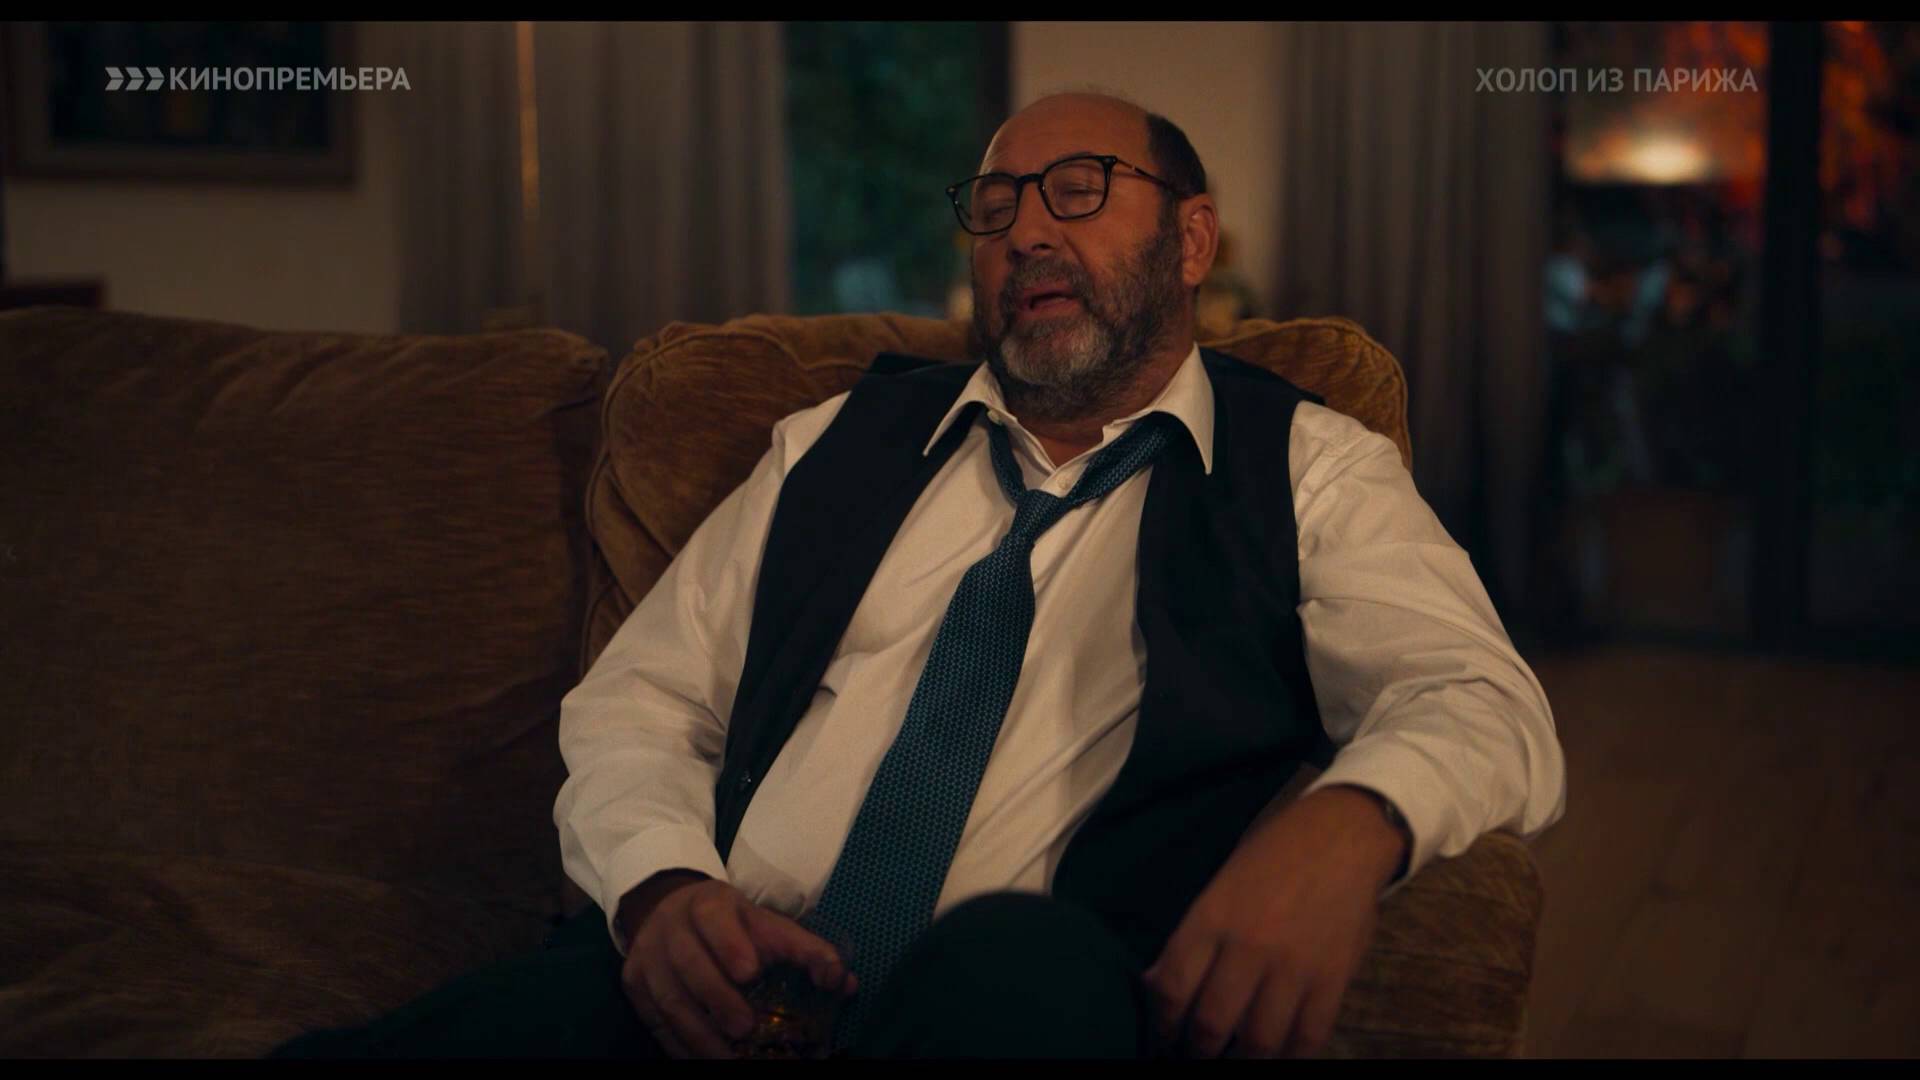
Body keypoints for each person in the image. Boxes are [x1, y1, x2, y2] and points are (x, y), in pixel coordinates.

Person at [273, 91, 1564, 1061]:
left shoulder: (1309, 470)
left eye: (1076, 191)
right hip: (719, 986)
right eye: (992, 207)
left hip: (1024, 992)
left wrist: (1347, 827)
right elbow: (642, 703)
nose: (1023, 232)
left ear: (1191, 239)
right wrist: (663, 890)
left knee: (1015, 960)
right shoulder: (837, 443)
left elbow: (1478, 697)